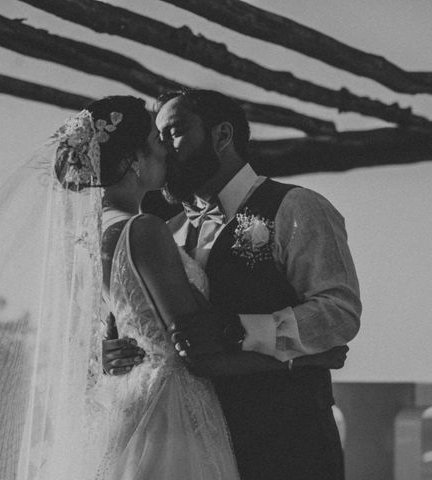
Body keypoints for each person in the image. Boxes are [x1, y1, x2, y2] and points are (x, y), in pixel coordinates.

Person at [104, 89, 361, 480]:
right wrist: (113, 352)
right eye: (158, 138)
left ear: (222, 136)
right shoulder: (168, 229)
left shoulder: (296, 206)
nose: (164, 150)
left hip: (290, 443)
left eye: (174, 132)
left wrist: (235, 329)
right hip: (197, 444)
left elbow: (338, 314)